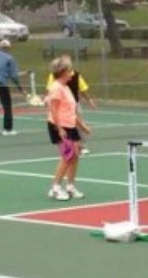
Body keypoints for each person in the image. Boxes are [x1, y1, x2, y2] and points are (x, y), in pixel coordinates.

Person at [44, 56, 91, 202]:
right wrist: (59, 129)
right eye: (69, 70)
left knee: (75, 156)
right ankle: (55, 188)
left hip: (70, 126)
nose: (72, 72)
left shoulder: (66, 88)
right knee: (67, 156)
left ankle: (70, 186)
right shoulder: (57, 88)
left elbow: (70, 111)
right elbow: (53, 109)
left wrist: (82, 125)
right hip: (60, 127)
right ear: (63, 72)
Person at [47, 54, 97, 155]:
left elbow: (83, 89)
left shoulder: (75, 77)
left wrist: (89, 100)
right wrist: (60, 128)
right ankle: (72, 148)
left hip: (73, 104)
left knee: (73, 157)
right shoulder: (57, 85)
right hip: (63, 117)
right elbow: (52, 98)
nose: (70, 71)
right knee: (68, 158)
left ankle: (80, 146)